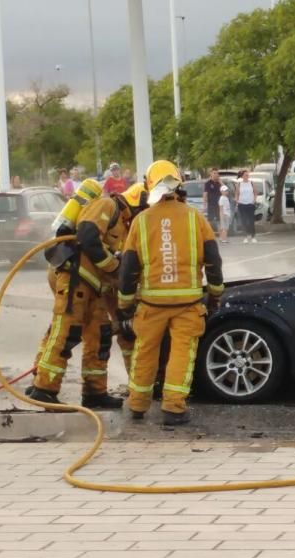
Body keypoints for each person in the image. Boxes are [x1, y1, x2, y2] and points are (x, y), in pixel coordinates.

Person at [27, 177, 151, 409]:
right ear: (137, 203)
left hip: (95, 289)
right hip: (76, 278)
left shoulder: (125, 227)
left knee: (100, 336)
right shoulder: (108, 206)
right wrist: (114, 266)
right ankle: (44, 388)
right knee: (67, 331)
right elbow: (87, 236)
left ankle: (95, 392)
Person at [117, 160, 224, 426]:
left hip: (151, 304)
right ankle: (173, 409)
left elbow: (129, 268)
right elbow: (213, 260)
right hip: (187, 304)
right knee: (181, 354)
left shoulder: (141, 221)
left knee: (144, 352)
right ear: (178, 184)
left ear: (149, 185)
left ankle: (138, 406)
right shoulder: (195, 218)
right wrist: (215, 294)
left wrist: (125, 304)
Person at [236, 169, 257, 243]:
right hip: (242, 204)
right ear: (242, 176)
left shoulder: (251, 183)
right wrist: (237, 201)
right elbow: (237, 194)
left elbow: (255, 193)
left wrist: (253, 201)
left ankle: (253, 236)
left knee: (251, 221)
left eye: (247, 175)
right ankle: (245, 236)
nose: (247, 176)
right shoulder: (239, 184)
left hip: (250, 204)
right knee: (244, 221)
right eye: (245, 175)